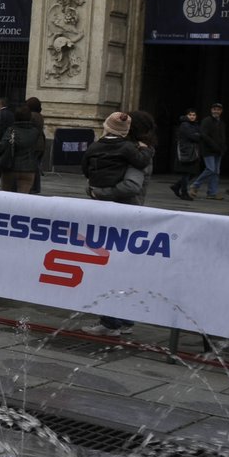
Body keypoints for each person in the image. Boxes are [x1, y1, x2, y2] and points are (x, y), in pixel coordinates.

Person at [83, 110, 155, 336]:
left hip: (122, 215)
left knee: (112, 267)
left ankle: (111, 322)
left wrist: (99, 192)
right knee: (122, 268)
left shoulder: (134, 153)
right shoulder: (131, 151)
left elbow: (131, 186)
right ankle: (123, 319)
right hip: (123, 214)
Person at [0, 104, 44, 193]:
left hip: (10, 167)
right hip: (28, 169)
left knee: (7, 195)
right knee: (22, 198)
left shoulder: (11, 130)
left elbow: (2, 146)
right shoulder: (35, 132)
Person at [189, 102, 226, 200]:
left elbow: (223, 137)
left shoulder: (221, 123)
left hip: (218, 151)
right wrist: (214, 146)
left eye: (218, 109)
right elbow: (204, 135)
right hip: (208, 150)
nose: (216, 111)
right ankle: (195, 185)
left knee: (216, 172)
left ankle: (212, 193)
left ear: (221, 111)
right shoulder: (207, 121)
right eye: (214, 109)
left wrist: (223, 147)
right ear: (211, 110)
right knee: (210, 169)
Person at [170, 109, 204, 201]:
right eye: (190, 115)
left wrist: (198, 135)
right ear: (186, 115)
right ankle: (184, 193)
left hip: (193, 152)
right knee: (186, 173)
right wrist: (197, 135)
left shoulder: (194, 124)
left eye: (194, 115)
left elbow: (200, 134)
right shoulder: (185, 125)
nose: (192, 116)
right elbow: (194, 136)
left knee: (192, 173)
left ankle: (177, 186)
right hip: (186, 152)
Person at [25, 96, 46, 193]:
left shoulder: (32, 115)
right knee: (36, 166)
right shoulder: (39, 115)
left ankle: (33, 187)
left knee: (32, 166)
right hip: (40, 143)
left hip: (34, 143)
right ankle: (36, 187)